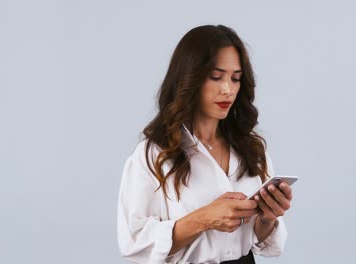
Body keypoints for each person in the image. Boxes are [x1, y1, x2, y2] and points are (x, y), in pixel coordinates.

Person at [117, 25, 293, 264]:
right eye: (216, 76)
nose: (228, 89)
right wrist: (205, 218)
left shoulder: (252, 149)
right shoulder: (154, 154)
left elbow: (260, 239)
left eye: (235, 78)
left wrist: (268, 217)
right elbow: (134, 242)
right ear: (190, 78)